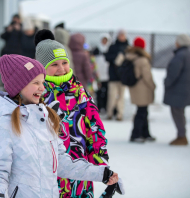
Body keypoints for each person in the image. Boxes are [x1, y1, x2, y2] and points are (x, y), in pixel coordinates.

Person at [0, 55, 120, 198]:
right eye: (35, 83)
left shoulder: (45, 116)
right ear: (18, 86)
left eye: (42, 82)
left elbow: (62, 162)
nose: (42, 88)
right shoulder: (5, 121)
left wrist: (102, 173)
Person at [35, 30, 121, 198]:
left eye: (64, 62)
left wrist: (100, 167)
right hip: (48, 175)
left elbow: (94, 130)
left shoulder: (79, 92)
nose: (61, 68)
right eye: (54, 64)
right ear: (42, 67)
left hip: (80, 174)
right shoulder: (38, 95)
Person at [164, 34, 190, 145]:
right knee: (180, 113)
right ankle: (182, 134)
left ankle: (181, 136)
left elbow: (173, 73)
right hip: (184, 89)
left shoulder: (180, 55)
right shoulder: (189, 54)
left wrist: (167, 83)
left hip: (178, 90)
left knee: (177, 113)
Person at [126, 37, 156, 143]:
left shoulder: (130, 56)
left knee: (143, 111)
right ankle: (136, 134)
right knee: (141, 112)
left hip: (135, 87)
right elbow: (147, 76)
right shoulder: (142, 59)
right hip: (143, 88)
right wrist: (153, 86)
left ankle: (145, 133)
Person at [105, 29, 129, 121]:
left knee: (121, 97)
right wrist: (116, 58)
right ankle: (109, 113)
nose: (121, 37)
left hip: (123, 77)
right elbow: (107, 57)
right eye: (120, 35)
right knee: (111, 96)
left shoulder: (127, 47)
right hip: (113, 76)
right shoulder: (113, 47)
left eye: (123, 35)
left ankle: (120, 114)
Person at [94, 33, 112, 113]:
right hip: (99, 74)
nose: (104, 41)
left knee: (107, 92)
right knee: (99, 92)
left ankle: (105, 107)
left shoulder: (110, 49)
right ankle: (99, 107)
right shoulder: (97, 49)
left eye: (106, 40)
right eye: (103, 40)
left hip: (107, 74)